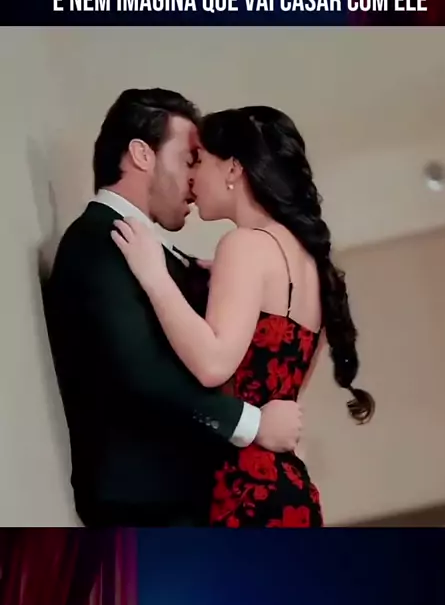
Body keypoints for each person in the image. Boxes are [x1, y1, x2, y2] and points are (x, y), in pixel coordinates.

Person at [45, 89, 303, 527]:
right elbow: (140, 371)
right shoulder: (96, 242)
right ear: (142, 155)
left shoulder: (145, 246)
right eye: (188, 160)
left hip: (178, 499)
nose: (194, 179)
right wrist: (252, 424)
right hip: (147, 505)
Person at [112, 105, 375, 528]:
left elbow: (213, 365)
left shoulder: (245, 245)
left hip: (246, 492)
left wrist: (154, 275)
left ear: (233, 167)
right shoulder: (310, 265)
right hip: (287, 488)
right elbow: (279, 394)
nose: (191, 177)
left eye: (199, 160)